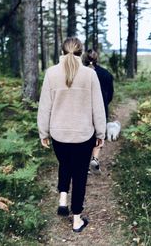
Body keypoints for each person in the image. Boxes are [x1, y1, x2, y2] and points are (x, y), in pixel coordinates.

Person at [37, 37, 106, 233]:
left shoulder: (51, 74)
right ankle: (76, 219)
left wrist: (43, 132)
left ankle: (62, 199)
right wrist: (100, 133)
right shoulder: (90, 75)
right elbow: (98, 108)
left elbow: (44, 107)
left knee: (65, 164)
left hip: (59, 135)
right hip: (84, 136)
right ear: (81, 52)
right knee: (79, 176)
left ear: (61, 50)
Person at [82, 49, 114, 173]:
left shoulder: (81, 74)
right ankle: (95, 158)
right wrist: (105, 103)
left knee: (86, 136)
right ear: (97, 59)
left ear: (84, 59)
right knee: (98, 134)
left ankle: (84, 164)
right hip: (101, 109)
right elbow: (110, 94)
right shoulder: (106, 74)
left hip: (84, 110)